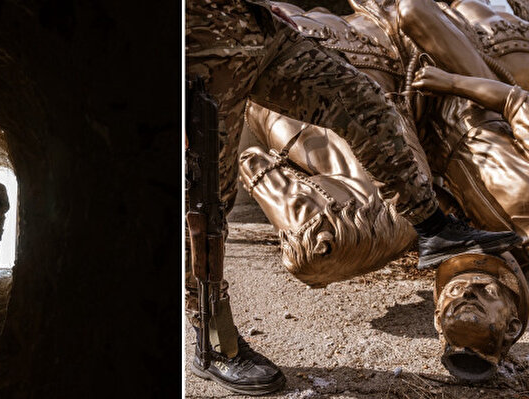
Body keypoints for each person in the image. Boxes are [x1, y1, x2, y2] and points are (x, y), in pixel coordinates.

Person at [185, 0, 521, 395]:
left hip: (253, 28)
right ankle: (214, 342)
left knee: (363, 103)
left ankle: (431, 226)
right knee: (207, 203)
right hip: (202, 46)